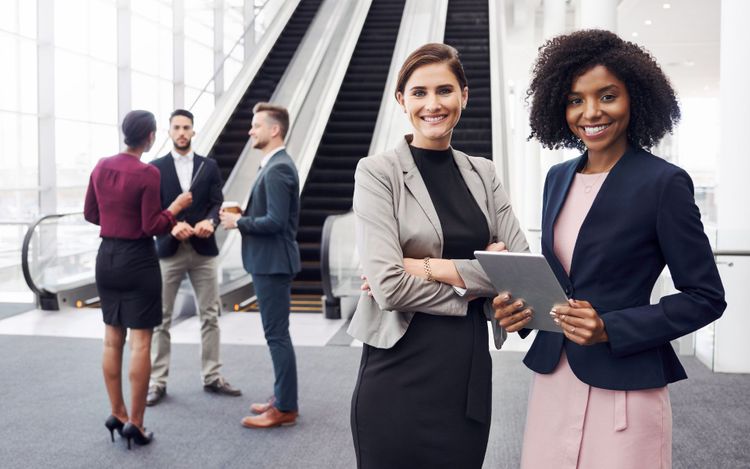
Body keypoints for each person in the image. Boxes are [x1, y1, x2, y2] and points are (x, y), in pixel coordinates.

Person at [493, 29, 726, 468]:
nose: (591, 112)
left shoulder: (664, 183)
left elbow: (706, 298)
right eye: (575, 100)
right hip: (556, 377)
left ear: (634, 98)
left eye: (607, 96)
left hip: (624, 385)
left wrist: (610, 328)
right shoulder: (557, 178)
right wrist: (520, 311)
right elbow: (561, 279)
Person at [348, 43, 528, 469]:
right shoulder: (377, 173)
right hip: (397, 369)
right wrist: (479, 279)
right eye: (419, 92)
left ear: (464, 96)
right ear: (401, 100)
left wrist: (430, 267)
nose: (433, 104)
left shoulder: (483, 172)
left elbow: (520, 268)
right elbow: (389, 288)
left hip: (465, 370)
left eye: (445, 90)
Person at [84, 110, 192, 449]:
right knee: (141, 343)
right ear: (149, 137)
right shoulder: (148, 173)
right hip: (138, 260)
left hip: (107, 258)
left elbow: (90, 212)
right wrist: (174, 208)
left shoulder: (101, 165)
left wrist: (115, 220)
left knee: (111, 339)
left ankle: (116, 413)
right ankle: (137, 423)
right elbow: (151, 225)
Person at [146, 109, 241, 406]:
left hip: (203, 250)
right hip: (169, 250)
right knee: (161, 319)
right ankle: (157, 382)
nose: (182, 132)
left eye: (186, 127)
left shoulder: (209, 166)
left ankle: (212, 376)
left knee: (210, 316)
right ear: (169, 131)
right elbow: (153, 210)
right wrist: (173, 226)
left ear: (193, 132)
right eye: (177, 127)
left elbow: (217, 203)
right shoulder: (155, 168)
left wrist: (210, 222)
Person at [220, 102, 301, 428]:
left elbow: (276, 222)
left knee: (277, 336)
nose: (250, 131)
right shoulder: (273, 164)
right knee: (277, 334)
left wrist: (238, 222)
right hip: (270, 262)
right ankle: (282, 398)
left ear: (274, 130)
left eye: (256, 125)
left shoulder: (279, 167)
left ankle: (285, 407)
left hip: (272, 264)